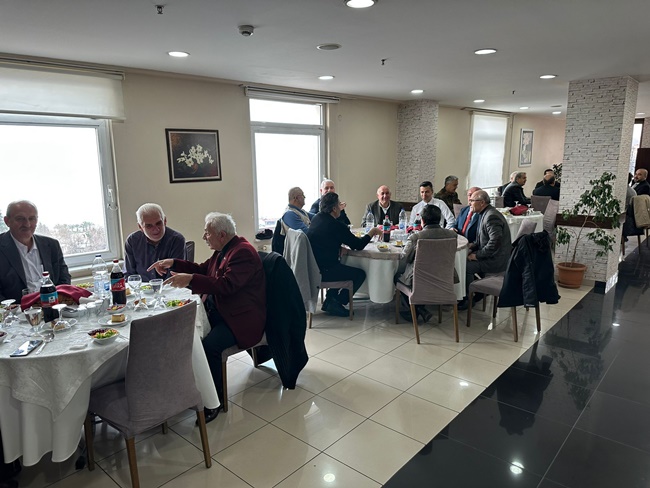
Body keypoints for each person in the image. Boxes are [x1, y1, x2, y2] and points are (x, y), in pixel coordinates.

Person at [149, 212, 265, 423]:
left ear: (221, 235)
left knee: (209, 347)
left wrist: (190, 280)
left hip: (240, 319)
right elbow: (203, 270)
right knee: (182, 333)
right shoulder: (224, 249)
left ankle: (214, 401)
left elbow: (226, 285)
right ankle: (188, 388)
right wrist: (173, 263)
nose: (204, 237)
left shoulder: (243, 252)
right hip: (221, 311)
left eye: (207, 233)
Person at [308, 192, 382, 316]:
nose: (340, 207)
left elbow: (325, 239)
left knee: (342, 264)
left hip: (313, 267)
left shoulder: (317, 218)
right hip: (324, 271)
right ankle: (337, 302)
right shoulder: (336, 225)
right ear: (334, 208)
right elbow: (358, 245)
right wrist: (373, 231)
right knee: (359, 274)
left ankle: (330, 299)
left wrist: (338, 246)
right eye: (338, 205)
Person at [395, 205, 457, 322]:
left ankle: (414, 310)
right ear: (440, 219)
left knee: (397, 276)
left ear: (422, 220)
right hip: (444, 277)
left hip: (419, 278)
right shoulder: (452, 235)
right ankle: (421, 309)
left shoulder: (416, 237)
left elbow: (404, 257)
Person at [0, 200, 70, 302]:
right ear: (7, 221)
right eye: (20, 219)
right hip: (16, 309)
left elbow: (64, 279)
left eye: (31, 219)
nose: (27, 224)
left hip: (53, 304)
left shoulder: (51, 245)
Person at [459, 190, 511, 310]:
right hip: (491, 255)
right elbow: (482, 239)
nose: (470, 203)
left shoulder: (491, 216)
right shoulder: (485, 213)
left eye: (472, 201)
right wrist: (472, 246)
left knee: (466, 267)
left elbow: (494, 243)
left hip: (496, 260)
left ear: (482, 202)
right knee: (465, 260)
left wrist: (476, 256)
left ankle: (468, 299)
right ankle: (479, 291)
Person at [125, 203, 186, 281]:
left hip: (167, 287)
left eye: (158, 223)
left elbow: (175, 277)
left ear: (165, 221)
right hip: (141, 287)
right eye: (149, 226)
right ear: (140, 227)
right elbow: (129, 275)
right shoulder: (132, 241)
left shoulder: (176, 240)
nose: (156, 229)